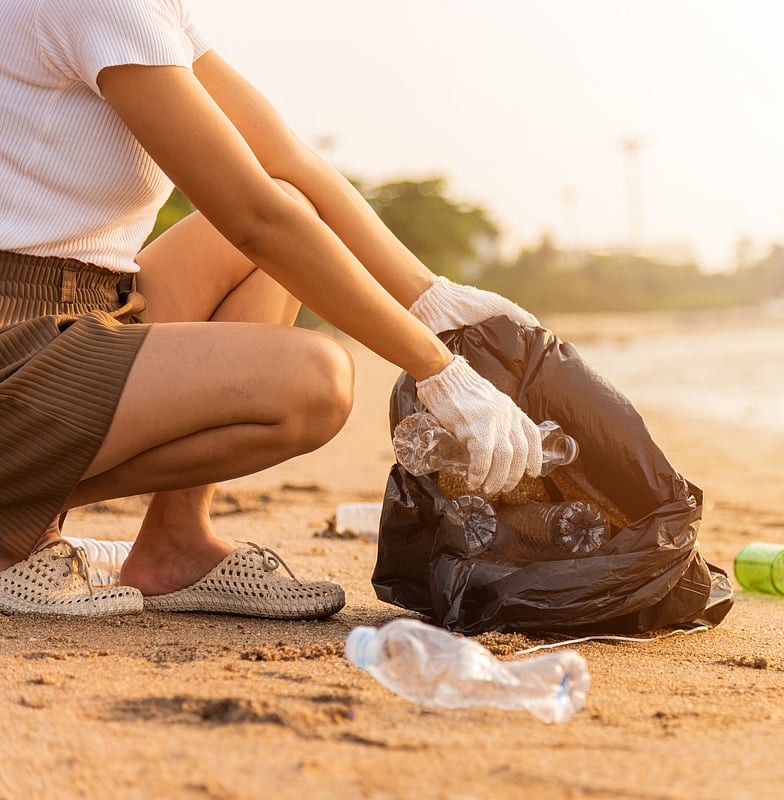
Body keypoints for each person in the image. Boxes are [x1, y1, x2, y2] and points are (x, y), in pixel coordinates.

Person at [0, 0, 544, 619]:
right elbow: (254, 217)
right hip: (17, 328)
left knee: (290, 216)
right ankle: (13, 526)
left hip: (85, 302)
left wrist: (429, 295)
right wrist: (436, 368)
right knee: (315, 383)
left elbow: (286, 163)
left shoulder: (156, 11)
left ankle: (174, 547)